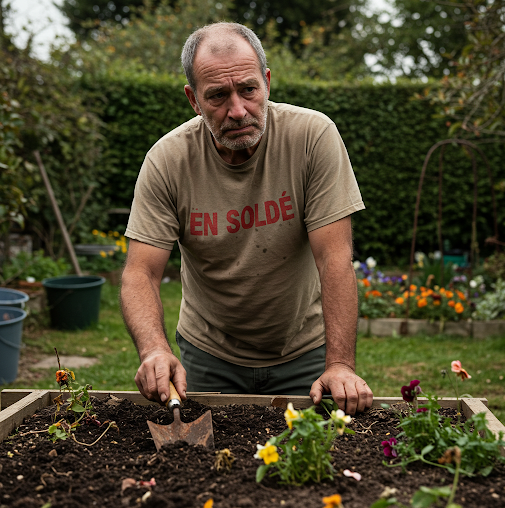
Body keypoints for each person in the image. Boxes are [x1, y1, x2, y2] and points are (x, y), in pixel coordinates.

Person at [120, 22, 373, 415]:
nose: (237, 111)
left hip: (304, 350)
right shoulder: (168, 161)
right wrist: (154, 349)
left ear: (267, 83)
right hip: (209, 355)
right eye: (217, 95)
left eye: (249, 90)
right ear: (193, 99)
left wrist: (339, 364)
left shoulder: (312, 137)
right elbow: (141, 272)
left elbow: (333, 258)